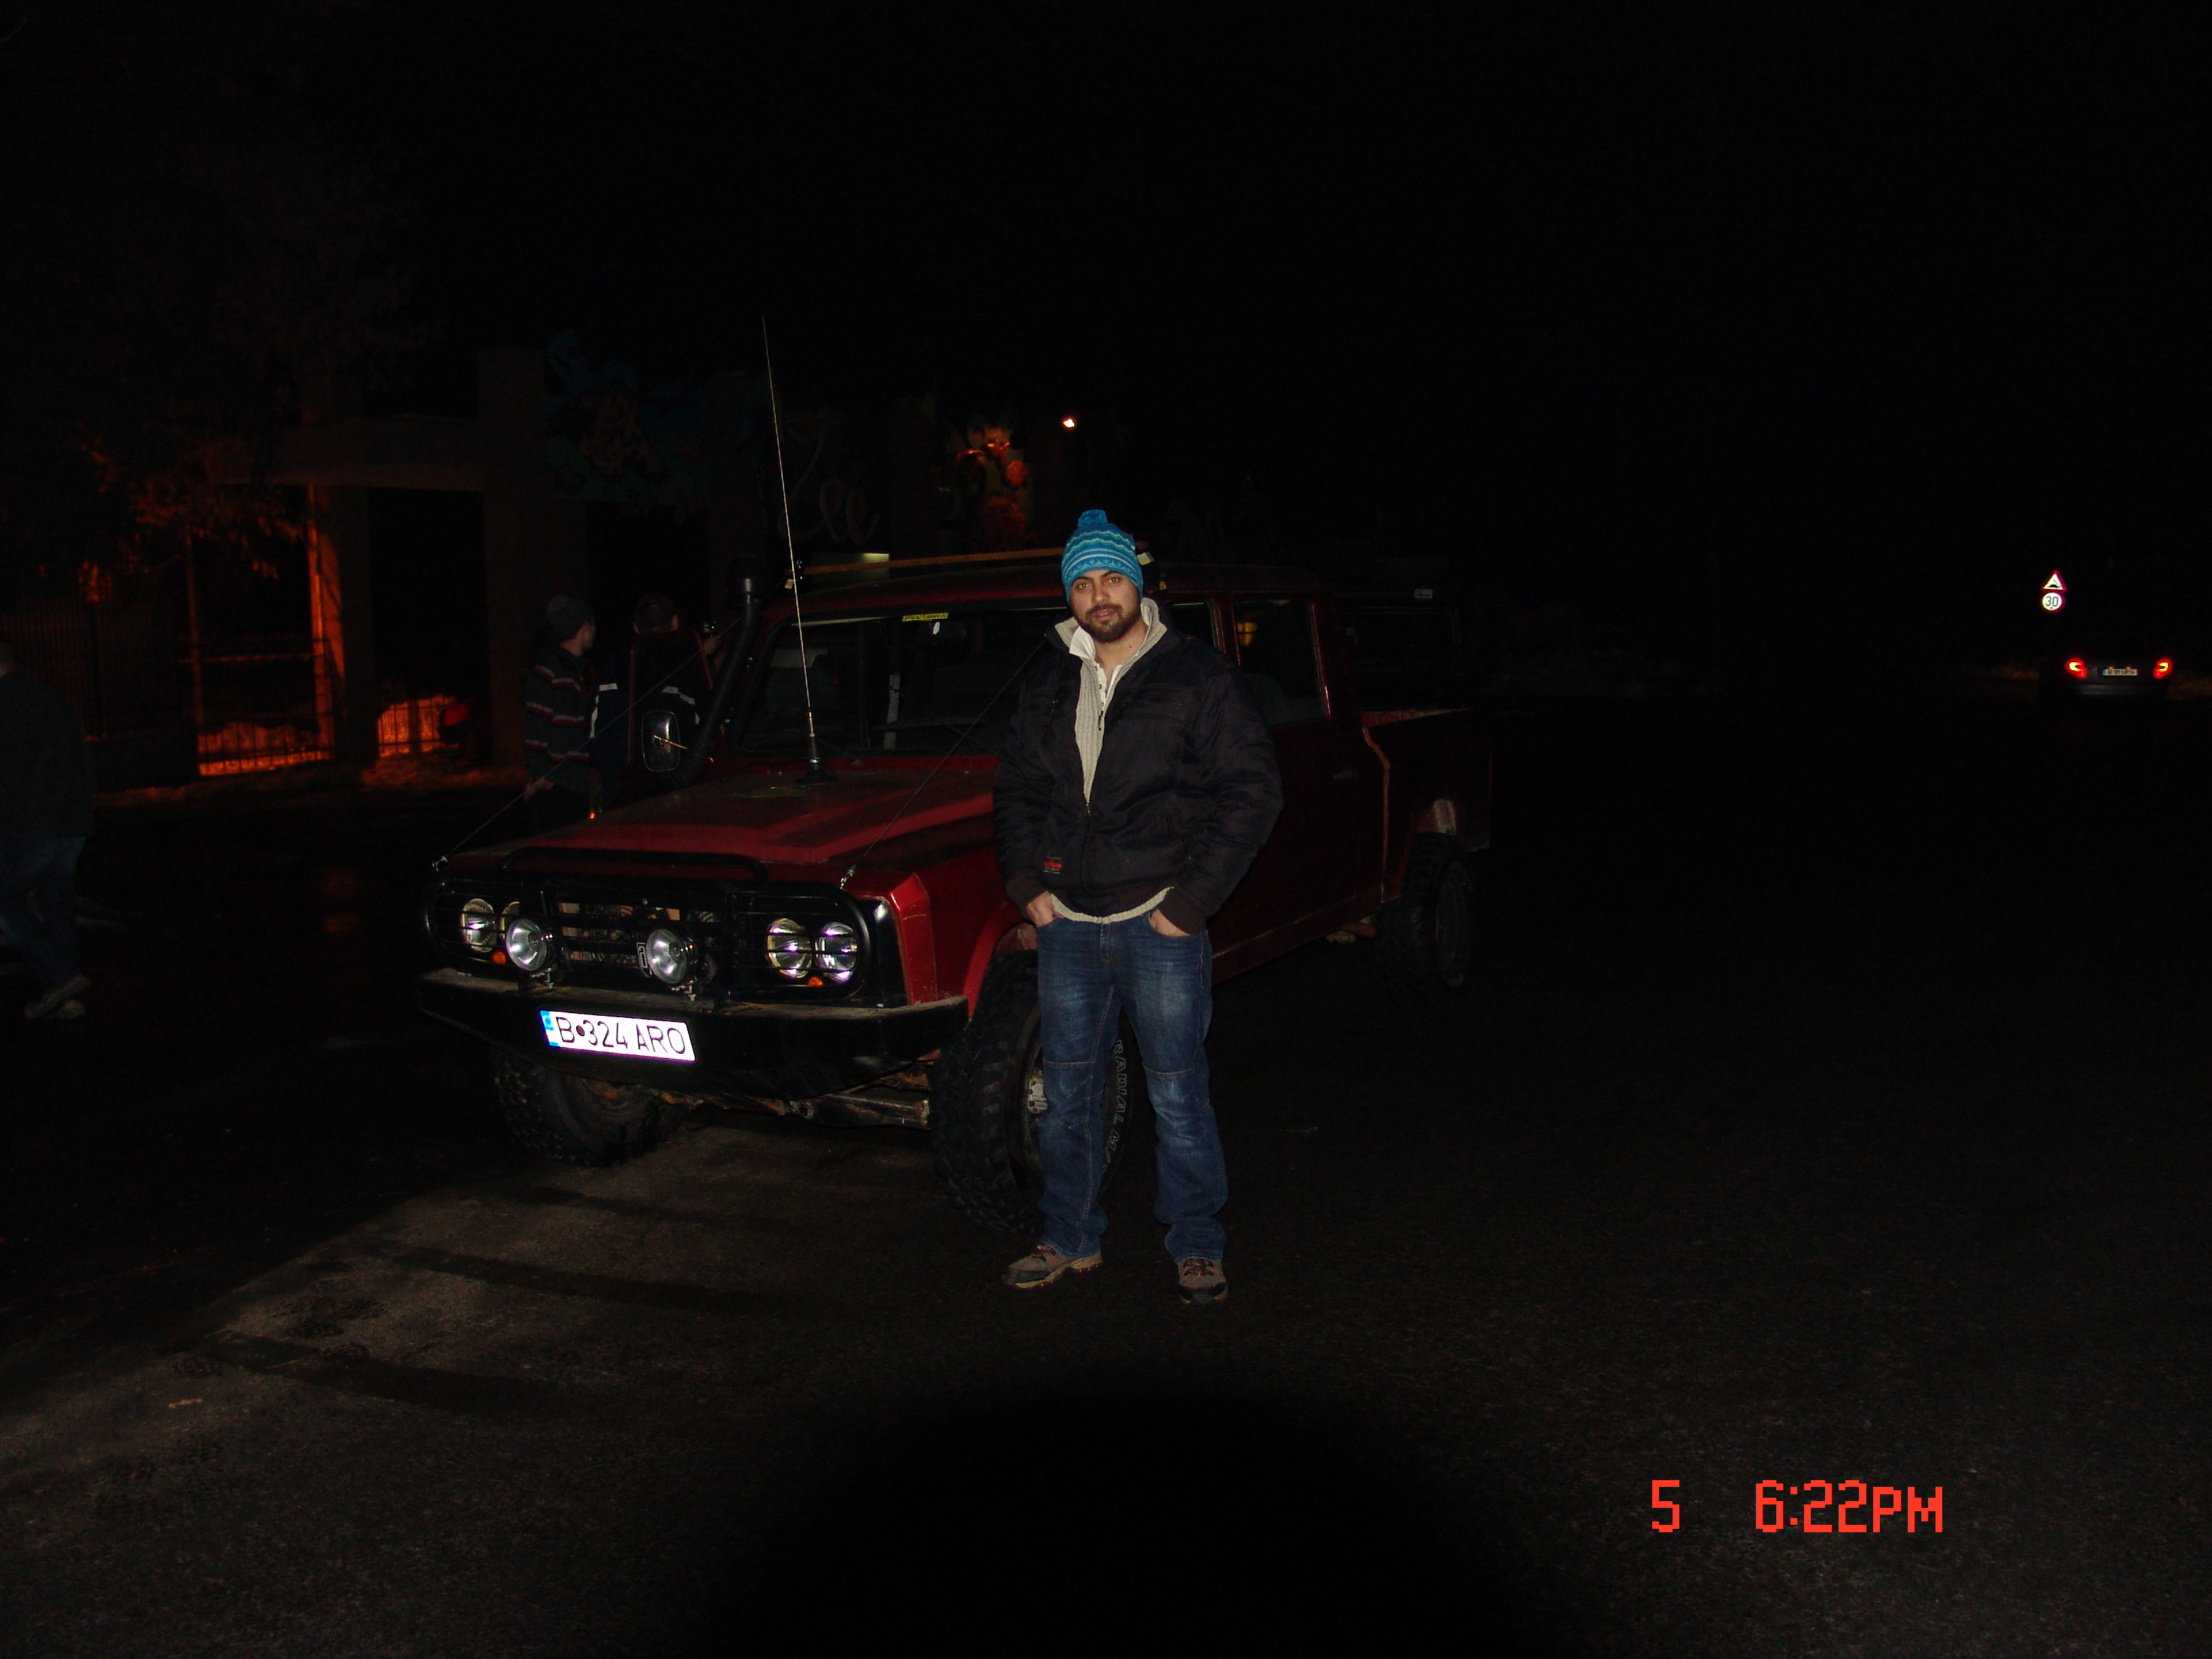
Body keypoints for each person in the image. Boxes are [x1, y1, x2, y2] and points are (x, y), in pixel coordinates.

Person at [993, 510, 1283, 1305]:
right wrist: (1027, 887)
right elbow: (1017, 790)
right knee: (1066, 1099)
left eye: (1112, 578)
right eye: (1083, 583)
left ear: (1139, 585)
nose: (1099, 595)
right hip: (1068, 925)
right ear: (1069, 596)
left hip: (1159, 920)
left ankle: (1197, 1243)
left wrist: (1190, 903)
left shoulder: (1196, 675)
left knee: (1177, 1093)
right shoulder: (1049, 678)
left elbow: (1253, 790)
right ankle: (1068, 1237)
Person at [0, 637, 96, 1021]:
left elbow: (7, 776)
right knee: (56, 904)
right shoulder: (57, 700)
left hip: (31, 826)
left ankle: (60, 978)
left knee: (5, 900)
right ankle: (66, 999)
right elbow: (82, 760)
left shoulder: (5, 706)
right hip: (73, 822)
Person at [590, 592, 720, 801]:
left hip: (623, 788)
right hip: (681, 787)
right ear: (675, 622)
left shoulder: (613, 665)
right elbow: (712, 724)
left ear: (636, 627)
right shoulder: (693, 665)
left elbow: (595, 728)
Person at [523, 595, 597, 834]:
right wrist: (548, 775)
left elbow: (535, 726)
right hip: (564, 788)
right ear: (585, 627)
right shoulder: (564, 673)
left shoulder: (550, 668)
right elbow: (562, 727)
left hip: (554, 784)